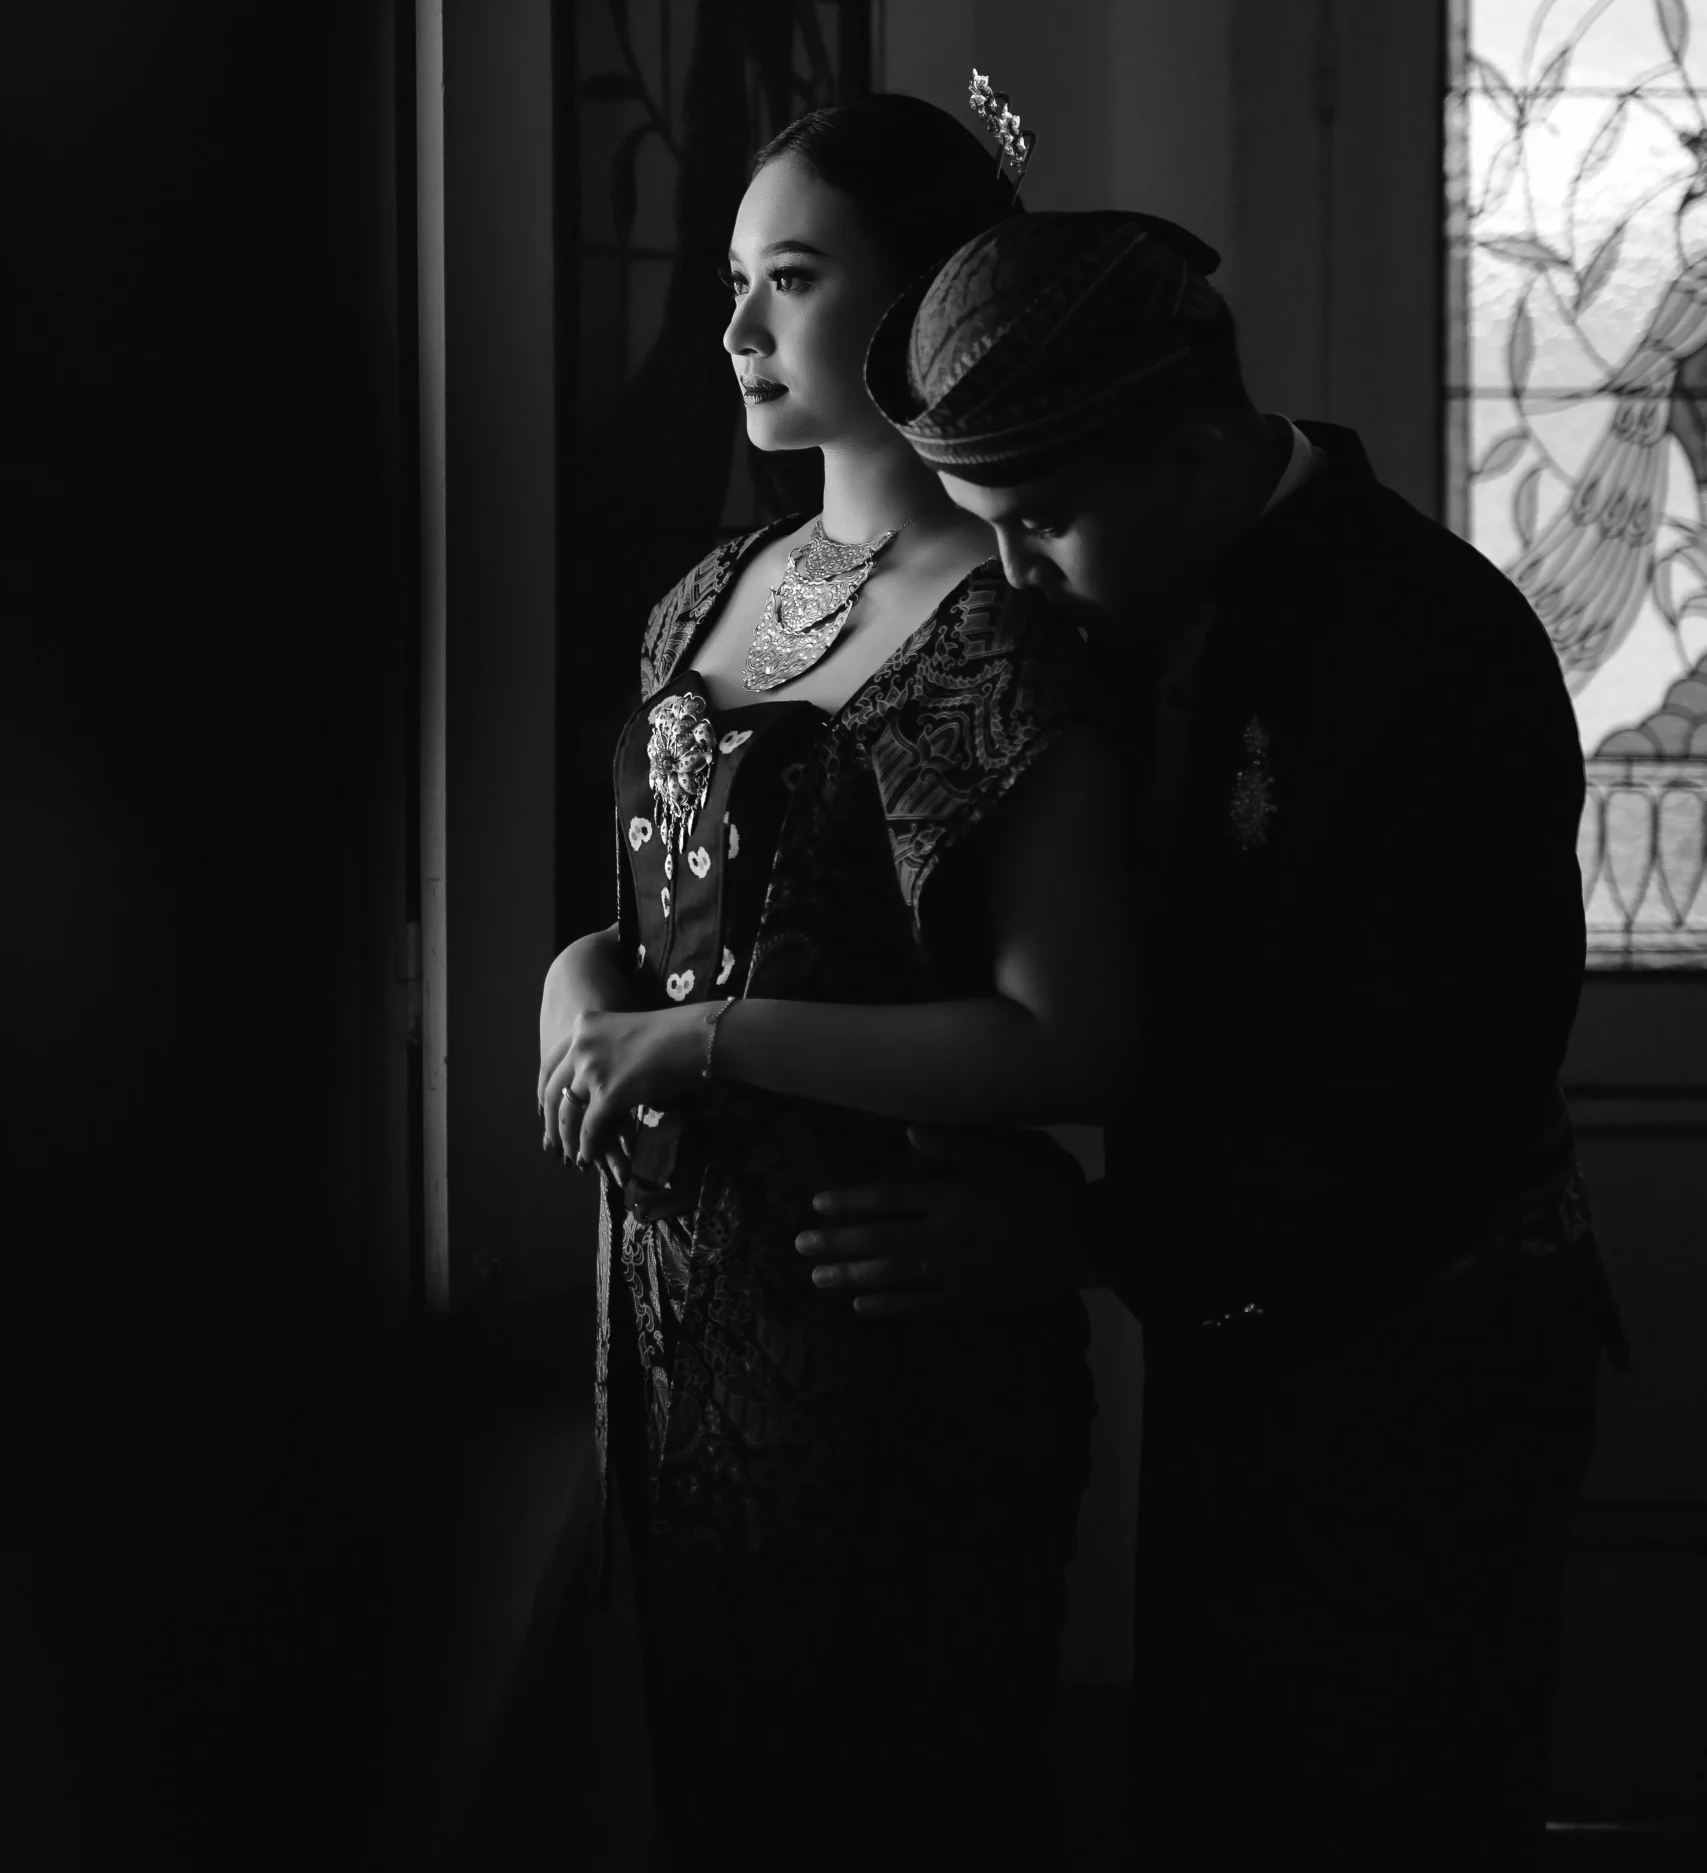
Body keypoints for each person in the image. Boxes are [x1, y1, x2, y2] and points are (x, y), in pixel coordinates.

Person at [807, 205, 1623, 1871]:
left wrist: (1083, 1236)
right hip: (1236, 1338)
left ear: (1187, 457)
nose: (1012, 578)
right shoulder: (1118, 608)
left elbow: (1433, 1104)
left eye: (1040, 524)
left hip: (1434, 1346)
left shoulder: (1434, 645)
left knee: (1395, 1803)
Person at [535, 97, 1134, 1873]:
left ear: (914, 302)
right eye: (732, 279)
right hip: (674, 1320)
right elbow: (653, 924)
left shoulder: (1010, 621)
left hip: (894, 1340)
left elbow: (1070, 1038)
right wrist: (577, 985)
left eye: (788, 280)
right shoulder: (703, 596)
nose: (733, 326)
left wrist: (709, 1040)